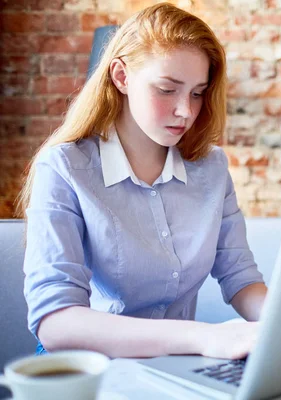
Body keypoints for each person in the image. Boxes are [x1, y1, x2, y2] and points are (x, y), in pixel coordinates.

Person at [17, 3, 267, 360]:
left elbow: (241, 278)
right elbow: (56, 323)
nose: (186, 111)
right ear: (121, 76)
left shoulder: (211, 167)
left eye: (197, 93)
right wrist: (203, 338)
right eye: (167, 89)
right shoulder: (63, 167)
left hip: (175, 368)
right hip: (89, 369)